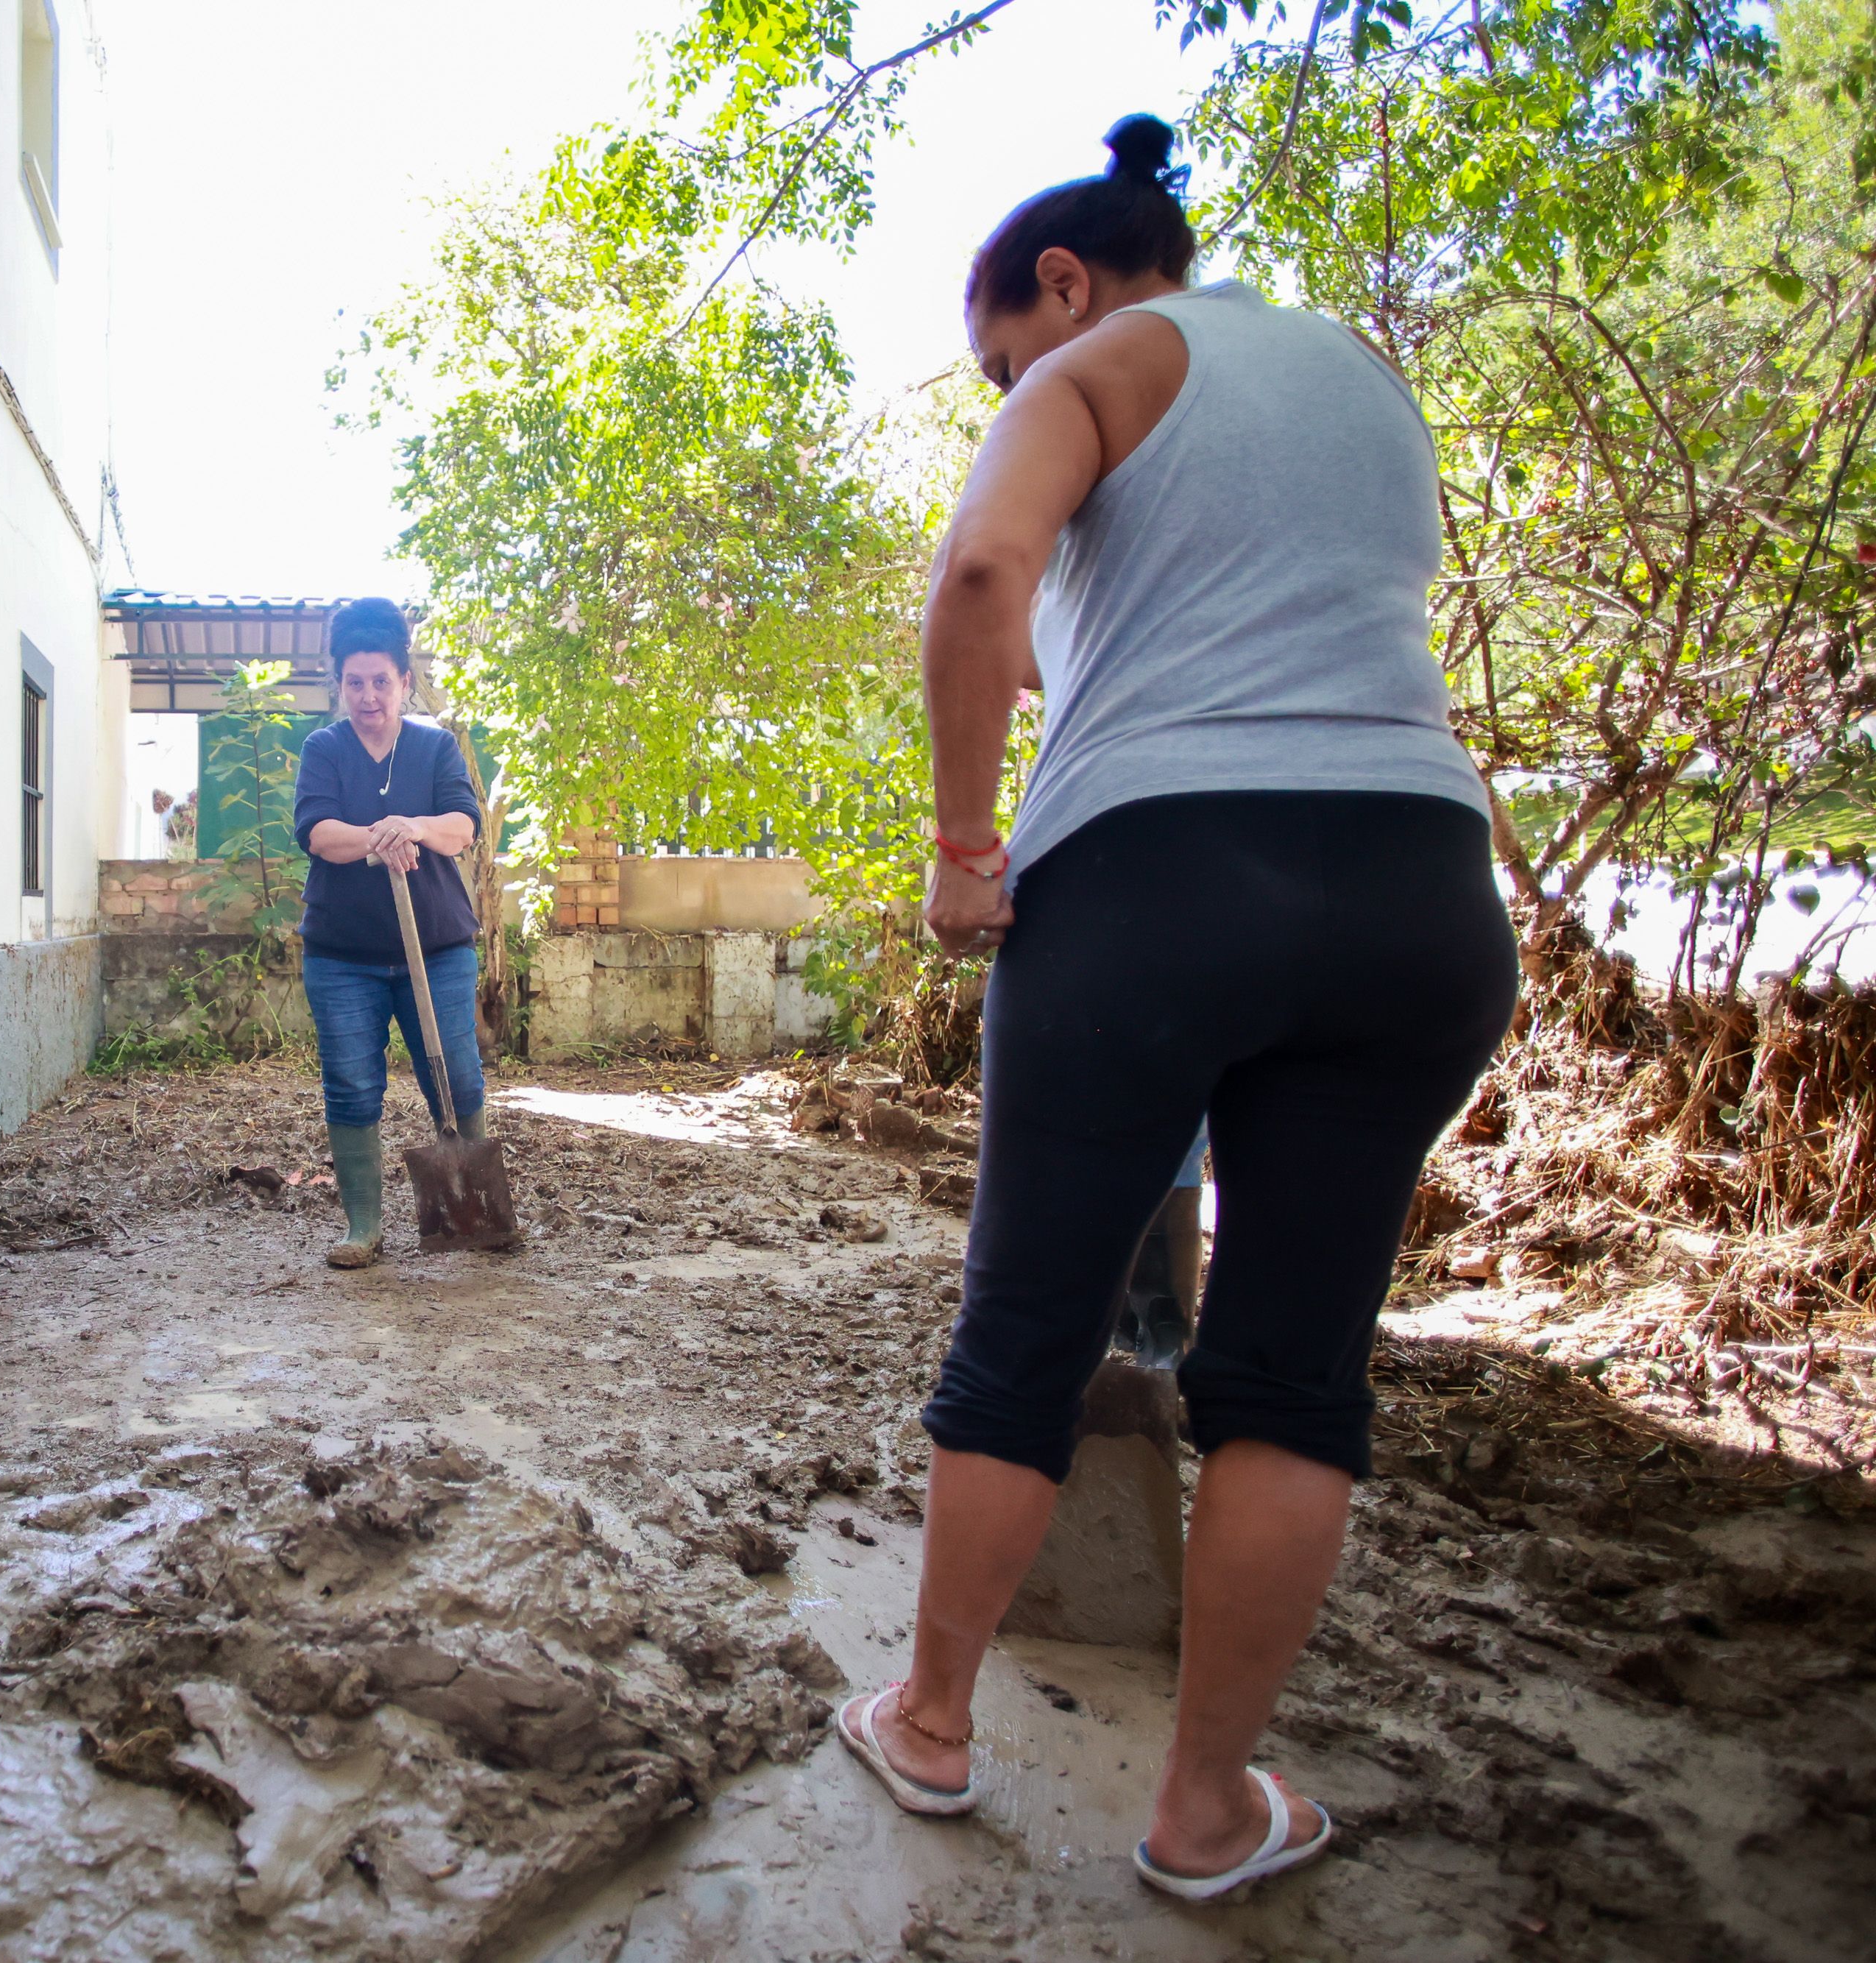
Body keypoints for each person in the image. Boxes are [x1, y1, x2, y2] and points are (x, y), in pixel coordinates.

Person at [831, 116, 1518, 1900]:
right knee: (1292, 1380)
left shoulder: (1106, 361)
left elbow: (984, 576)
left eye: (1001, 354)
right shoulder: (1367, 385)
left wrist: (965, 845)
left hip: (1155, 884)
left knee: (1023, 1340)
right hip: (1417, 889)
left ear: (1063, 286)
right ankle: (1205, 1810)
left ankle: (925, 1723)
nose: (1005, 381)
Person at [291, 598, 487, 1269]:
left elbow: (462, 826)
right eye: (355, 682)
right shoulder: (324, 750)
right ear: (339, 685)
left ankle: (472, 1207)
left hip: (436, 952)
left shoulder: (434, 747)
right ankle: (364, 1227)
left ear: (405, 681)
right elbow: (318, 833)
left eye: (381, 681)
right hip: (343, 957)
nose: (369, 696)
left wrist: (414, 825)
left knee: (456, 1078)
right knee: (350, 1084)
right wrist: (378, 839)